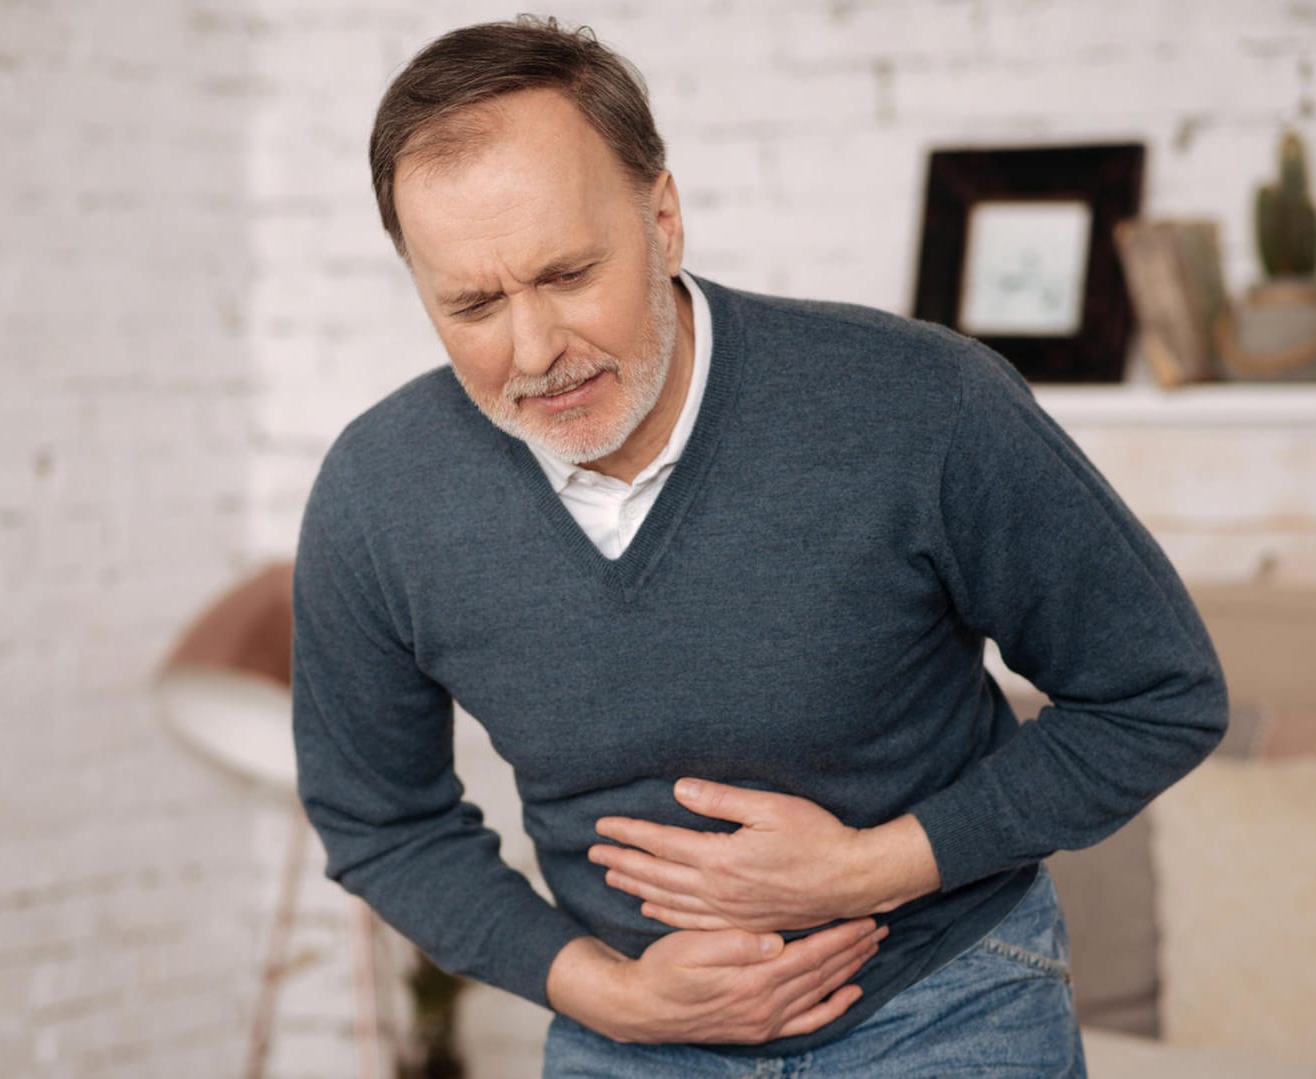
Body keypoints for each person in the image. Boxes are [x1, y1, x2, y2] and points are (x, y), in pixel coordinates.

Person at [290, 15, 1227, 1075]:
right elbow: (378, 818)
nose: (534, 349)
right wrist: (612, 992)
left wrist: (871, 867)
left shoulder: (921, 405)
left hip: (946, 997)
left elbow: (1159, 694)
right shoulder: (379, 493)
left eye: (566, 274)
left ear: (664, 218)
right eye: (471, 304)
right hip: (626, 1031)